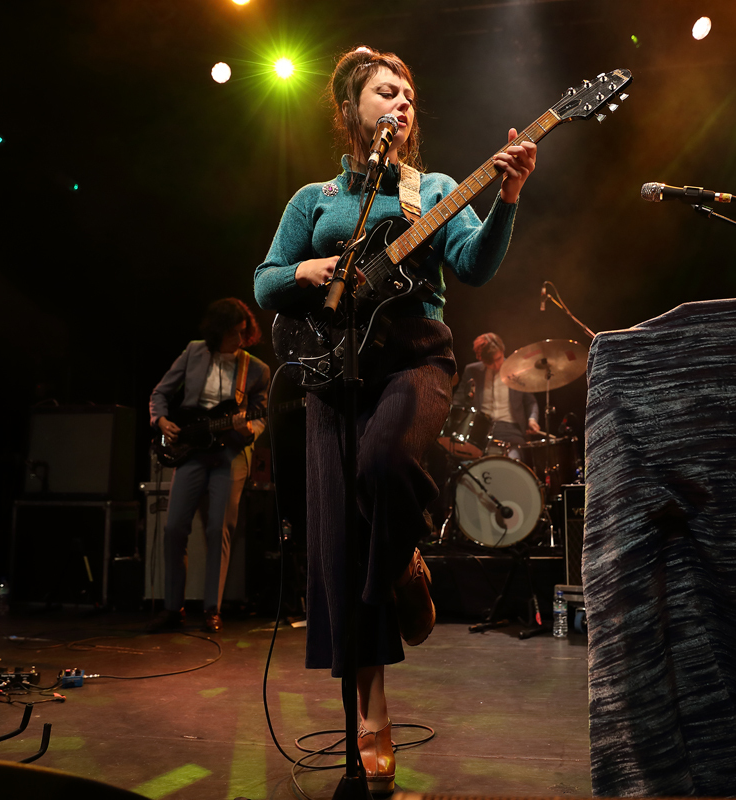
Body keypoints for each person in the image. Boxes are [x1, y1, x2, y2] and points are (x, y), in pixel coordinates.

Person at [253, 46, 536, 793]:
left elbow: (472, 265)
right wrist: (305, 273)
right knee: (340, 553)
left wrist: (505, 199)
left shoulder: (435, 189)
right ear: (351, 109)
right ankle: (372, 717)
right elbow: (266, 280)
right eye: (386, 90)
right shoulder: (314, 198)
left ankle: (406, 559)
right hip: (332, 375)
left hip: (415, 358)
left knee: (385, 464)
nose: (403, 101)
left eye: (409, 92)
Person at [148, 298, 269, 633]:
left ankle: (212, 610)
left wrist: (247, 429)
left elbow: (261, 418)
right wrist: (160, 421)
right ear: (218, 332)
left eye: (244, 333)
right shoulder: (194, 352)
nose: (240, 340)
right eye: (233, 334)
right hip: (191, 451)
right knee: (173, 529)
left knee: (219, 530)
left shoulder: (256, 368)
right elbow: (160, 392)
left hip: (229, 454)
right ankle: (173, 608)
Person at [453, 332, 540, 457]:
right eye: (490, 363)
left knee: (512, 464)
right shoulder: (472, 371)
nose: (497, 366)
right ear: (481, 359)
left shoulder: (517, 371)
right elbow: (458, 400)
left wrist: (532, 419)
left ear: (502, 351)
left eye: (498, 359)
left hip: (511, 430)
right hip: (479, 431)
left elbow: (530, 401)